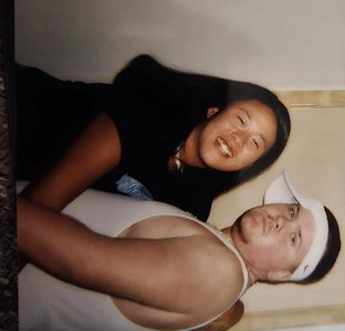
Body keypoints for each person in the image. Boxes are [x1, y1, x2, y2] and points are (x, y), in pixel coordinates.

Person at [17, 172, 341, 331]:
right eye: (292, 212)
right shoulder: (220, 265)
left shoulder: (217, 271)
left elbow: (82, 261)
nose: (281, 221)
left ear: (281, 274)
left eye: (294, 239)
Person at [16, 55, 291, 219]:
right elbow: (36, 209)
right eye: (241, 120)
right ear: (214, 111)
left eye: (255, 143)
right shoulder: (147, 112)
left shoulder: (192, 206)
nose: (238, 139)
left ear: (249, 164)